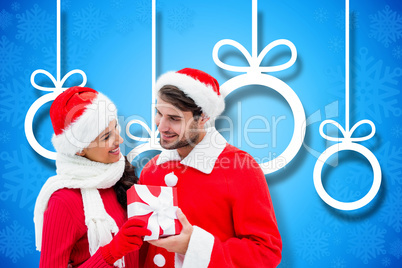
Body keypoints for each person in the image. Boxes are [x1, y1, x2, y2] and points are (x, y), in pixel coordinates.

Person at [139, 68, 282, 267]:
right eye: (158, 113)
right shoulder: (151, 170)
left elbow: (266, 251)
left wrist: (194, 247)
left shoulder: (240, 168)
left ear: (203, 117)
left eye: (174, 118)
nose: (161, 126)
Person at [34, 86, 151, 267]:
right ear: (79, 150)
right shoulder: (64, 200)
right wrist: (112, 252)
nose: (119, 140)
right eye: (106, 137)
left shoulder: (120, 176)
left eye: (115, 128)